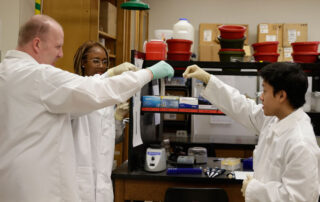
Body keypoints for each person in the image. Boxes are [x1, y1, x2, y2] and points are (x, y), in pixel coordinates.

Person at [0, 14, 174, 202]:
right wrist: (149, 72)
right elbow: (97, 90)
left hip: (12, 185)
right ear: (37, 44)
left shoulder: (6, 72)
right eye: (58, 46)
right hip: (38, 189)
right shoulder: (38, 76)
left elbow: (81, 102)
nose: (60, 54)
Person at [183, 63, 320, 202]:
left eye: (265, 91)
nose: (261, 97)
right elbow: (242, 107)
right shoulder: (274, 119)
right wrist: (208, 79)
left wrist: (254, 190)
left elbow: (299, 199)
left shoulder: (301, 144)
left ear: (281, 95)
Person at [72, 40, 134, 202]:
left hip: (103, 173)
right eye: (96, 61)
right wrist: (112, 73)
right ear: (84, 63)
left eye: (105, 62)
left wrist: (118, 118)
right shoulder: (74, 88)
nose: (101, 66)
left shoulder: (108, 93)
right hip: (79, 173)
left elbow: (113, 138)